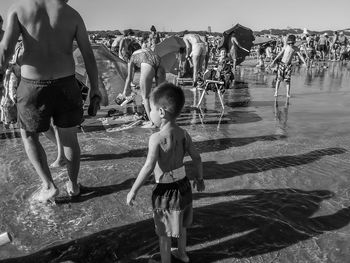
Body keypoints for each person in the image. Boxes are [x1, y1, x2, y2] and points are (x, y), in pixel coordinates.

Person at [0, 0, 101, 202]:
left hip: (32, 86)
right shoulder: (72, 14)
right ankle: (73, 185)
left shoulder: (19, 9)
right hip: (67, 84)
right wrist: (95, 90)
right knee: (70, 139)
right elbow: (88, 55)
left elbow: (5, 51)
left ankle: (48, 186)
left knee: (29, 136)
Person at [126, 83, 205, 263]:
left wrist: (133, 190)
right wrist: (199, 178)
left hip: (165, 192)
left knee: (164, 231)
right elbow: (197, 158)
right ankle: (183, 254)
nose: (149, 113)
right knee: (182, 225)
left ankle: (165, 260)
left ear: (161, 112)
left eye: (151, 109)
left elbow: (148, 167)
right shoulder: (184, 134)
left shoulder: (156, 138)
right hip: (183, 187)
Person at [121, 46, 166, 128]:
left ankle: (152, 122)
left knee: (145, 97)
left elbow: (129, 77)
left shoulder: (132, 57)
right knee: (160, 95)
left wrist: (124, 92)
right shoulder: (143, 50)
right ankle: (164, 118)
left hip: (147, 63)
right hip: (159, 60)